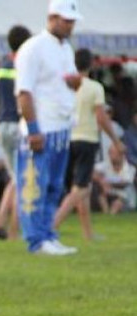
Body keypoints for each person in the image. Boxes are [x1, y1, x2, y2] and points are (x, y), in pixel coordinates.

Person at [15, 0, 83, 255]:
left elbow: (68, 83)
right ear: (52, 18)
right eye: (66, 21)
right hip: (41, 128)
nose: (70, 26)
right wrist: (33, 129)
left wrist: (76, 83)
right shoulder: (33, 48)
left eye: (72, 21)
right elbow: (24, 92)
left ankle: (48, 234)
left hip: (62, 125)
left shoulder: (66, 49)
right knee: (35, 185)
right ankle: (36, 240)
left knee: (54, 185)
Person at [54, 49, 126, 241]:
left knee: (80, 186)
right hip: (86, 139)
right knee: (82, 189)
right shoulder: (94, 87)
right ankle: (52, 225)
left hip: (67, 139)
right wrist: (116, 140)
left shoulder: (65, 85)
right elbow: (101, 117)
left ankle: (88, 233)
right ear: (92, 65)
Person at [0, 25, 32, 240]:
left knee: (15, 177)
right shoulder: (22, 66)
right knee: (21, 179)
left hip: (2, 124)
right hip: (18, 125)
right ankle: (14, 230)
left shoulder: (1, 66)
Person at [93, 145, 136, 214]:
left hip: (124, 196)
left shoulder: (130, 168)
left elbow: (124, 181)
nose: (111, 155)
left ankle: (113, 212)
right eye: (110, 153)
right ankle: (106, 214)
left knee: (127, 191)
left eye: (114, 153)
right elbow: (91, 172)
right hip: (109, 194)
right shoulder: (106, 164)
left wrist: (105, 180)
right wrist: (101, 180)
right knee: (99, 192)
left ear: (122, 155)